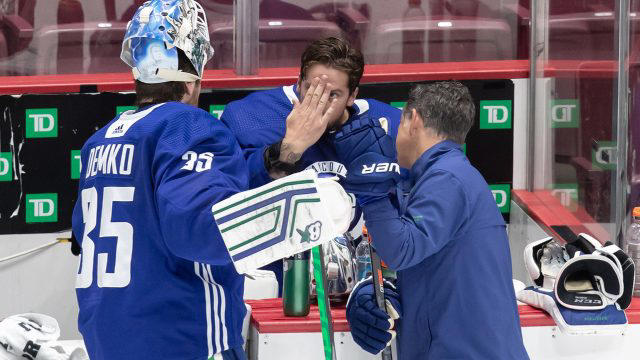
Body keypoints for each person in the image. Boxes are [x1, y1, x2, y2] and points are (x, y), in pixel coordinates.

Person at [71, 1, 249, 359]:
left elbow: (82, 233)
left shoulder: (100, 141)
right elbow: (204, 230)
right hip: (185, 342)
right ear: (197, 65)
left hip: (109, 343)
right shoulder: (191, 127)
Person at [341, 82, 529, 359]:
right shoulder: (445, 176)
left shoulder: (447, 179)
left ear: (413, 119)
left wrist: (373, 195)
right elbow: (427, 267)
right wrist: (376, 292)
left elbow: (401, 250)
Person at [220, 37, 402, 285]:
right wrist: (287, 150)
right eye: (312, 90)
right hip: (277, 283)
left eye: (333, 95)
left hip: (361, 285)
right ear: (298, 83)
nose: (319, 103)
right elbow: (229, 200)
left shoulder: (388, 124)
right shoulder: (250, 117)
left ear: (352, 95)